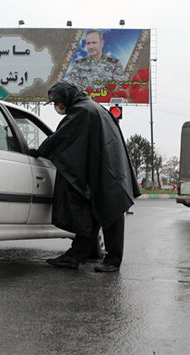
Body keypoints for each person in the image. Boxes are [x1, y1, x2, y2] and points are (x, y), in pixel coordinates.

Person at [30, 81, 140, 272]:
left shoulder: (82, 111)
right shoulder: (94, 107)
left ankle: (113, 260)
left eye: (58, 102)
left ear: (66, 97)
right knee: (94, 213)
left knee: (110, 212)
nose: (58, 107)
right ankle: (78, 254)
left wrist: (41, 151)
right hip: (108, 169)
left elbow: (62, 137)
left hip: (105, 172)